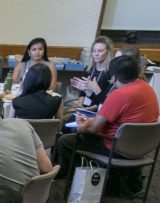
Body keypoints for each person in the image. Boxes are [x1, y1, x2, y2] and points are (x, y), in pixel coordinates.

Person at [54, 55, 160, 194]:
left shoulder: (119, 95)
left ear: (114, 77)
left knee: (65, 141)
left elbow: (93, 127)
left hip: (116, 148)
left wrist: (82, 126)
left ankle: (73, 178)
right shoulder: (148, 89)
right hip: (143, 148)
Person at [69, 36, 114, 112]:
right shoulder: (89, 68)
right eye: (94, 51)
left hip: (99, 109)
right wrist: (79, 106)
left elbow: (105, 101)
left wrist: (87, 109)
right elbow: (83, 92)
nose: (96, 54)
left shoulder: (111, 72)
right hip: (84, 106)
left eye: (100, 51)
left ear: (108, 52)